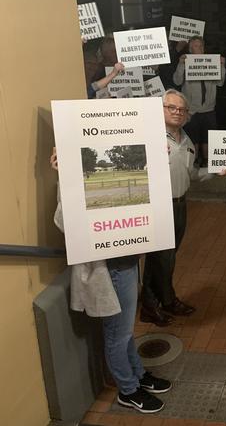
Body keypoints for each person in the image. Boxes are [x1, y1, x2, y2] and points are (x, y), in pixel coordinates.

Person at [50, 156, 171, 415]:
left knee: (125, 330)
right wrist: (65, 175)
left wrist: (157, 160)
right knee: (118, 333)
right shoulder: (73, 176)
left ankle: (137, 374)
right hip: (110, 266)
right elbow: (63, 222)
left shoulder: (122, 172)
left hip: (127, 258)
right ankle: (128, 389)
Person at [140, 89, 226, 326]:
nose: (177, 113)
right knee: (158, 259)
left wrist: (216, 170)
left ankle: (165, 300)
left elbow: (192, 174)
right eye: (171, 108)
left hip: (180, 206)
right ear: (159, 110)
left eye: (182, 110)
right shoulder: (148, 138)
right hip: (159, 207)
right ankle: (151, 306)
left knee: (168, 258)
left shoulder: (187, 141)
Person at [173, 36, 226, 166]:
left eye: (201, 46)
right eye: (196, 46)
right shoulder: (185, 62)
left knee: (208, 141)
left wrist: (222, 66)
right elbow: (177, 81)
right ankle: (194, 165)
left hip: (209, 109)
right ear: (191, 49)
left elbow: (220, 83)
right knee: (193, 141)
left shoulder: (212, 62)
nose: (199, 48)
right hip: (191, 111)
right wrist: (180, 64)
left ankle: (208, 165)